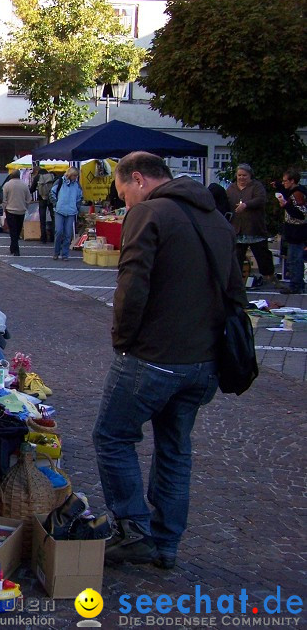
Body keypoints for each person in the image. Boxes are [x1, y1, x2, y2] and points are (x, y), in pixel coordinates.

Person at [92, 152, 246, 570]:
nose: (125, 204)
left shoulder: (148, 214)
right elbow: (235, 288)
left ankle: (135, 531)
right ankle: (165, 543)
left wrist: (123, 340)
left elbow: (133, 283)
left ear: (138, 179)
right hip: (204, 361)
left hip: (155, 357)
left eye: (124, 194)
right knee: (175, 448)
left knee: (112, 437)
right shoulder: (215, 217)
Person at [226, 163, 276, 288]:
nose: (241, 178)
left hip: (254, 228)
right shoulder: (231, 188)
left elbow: (261, 199)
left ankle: (269, 277)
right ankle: (236, 282)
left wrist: (246, 205)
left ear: (250, 176)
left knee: (262, 255)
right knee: (236, 257)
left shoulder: (256, 186)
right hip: (237, 228)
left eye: (244, 175)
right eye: (239, 175)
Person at [275, 169, 306, 294]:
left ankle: (296, 285)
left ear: (292, 181)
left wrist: (285, 205)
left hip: (297, 231)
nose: (284, 183)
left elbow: (301, 214)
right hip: (294, 230)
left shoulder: (297, 194)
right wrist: (278, 186)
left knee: (294, 258)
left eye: (285, 181)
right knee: (294, 257)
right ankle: (297, 284)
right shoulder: (294, 192)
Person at [50, 167, 83, 260]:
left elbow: (80, 197)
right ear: (70, 174)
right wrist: (56, 204)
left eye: (76, 176)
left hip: (71, 211)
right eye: (74, 175)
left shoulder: (77, 185)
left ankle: (65, 254)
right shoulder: (60, 182)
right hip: (59, 210)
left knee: (68, 234)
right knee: (59, 231)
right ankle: (56, 252)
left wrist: (77, 206)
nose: (75, 177)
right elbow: (52, 193)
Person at [1, 169, 33, 256]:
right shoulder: (24, 185)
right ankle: (14, 247)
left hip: (10, 210)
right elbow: (29, 198)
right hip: (21, 211)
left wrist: (5, 207)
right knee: (18, 230)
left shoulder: (7, 185)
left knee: (13, 230)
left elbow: (3, 198)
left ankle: (15, 248)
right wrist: (25, 206)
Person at [30, 161, 56, 242]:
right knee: (53, 217)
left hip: (42, 199)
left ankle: (43, 237)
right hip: (51, 199)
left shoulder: (37, 177)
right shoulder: (52, 175)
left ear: (36, 171)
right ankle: (53, 236)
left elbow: (32, 189)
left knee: (42, 218)